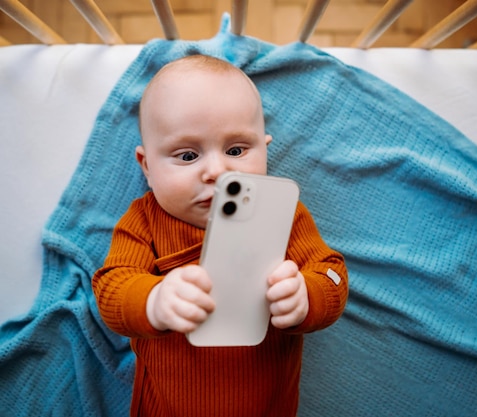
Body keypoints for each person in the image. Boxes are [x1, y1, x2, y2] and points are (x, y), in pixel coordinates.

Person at [92, 54, 349, 417]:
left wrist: (307, 295)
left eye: (236, 150)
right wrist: (154, 300)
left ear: (265, 148)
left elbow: (333, 273)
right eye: (187, 156)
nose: (217, 171)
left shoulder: (283, 213)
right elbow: (111, 288)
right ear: (147, 166)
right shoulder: (144, 220)